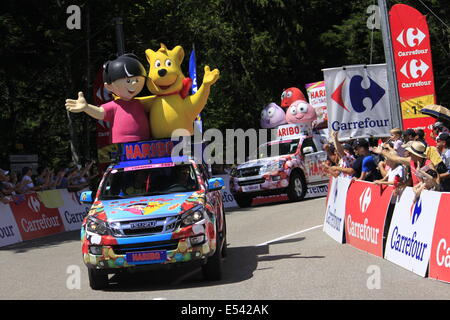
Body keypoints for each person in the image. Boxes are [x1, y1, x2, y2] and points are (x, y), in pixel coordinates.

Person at [66, 54, 150, 144]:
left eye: (137, 80)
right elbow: (100, 112)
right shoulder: (115, 106)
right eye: (128, 81)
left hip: (146, 143)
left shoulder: (141, 102)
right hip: (122, 144)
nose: (133, 83)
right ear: (109, 86)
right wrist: (86, 107)